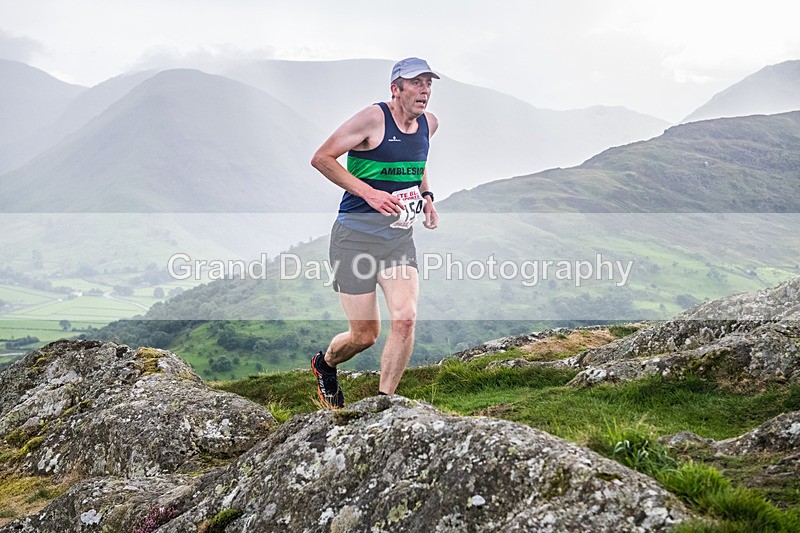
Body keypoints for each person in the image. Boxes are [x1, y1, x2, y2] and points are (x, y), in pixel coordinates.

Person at [309, 57, 440, 408]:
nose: (424, 90)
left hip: (397, 238)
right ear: (395, 89)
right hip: (354, 239)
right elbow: (322, 158)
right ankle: (325, 365)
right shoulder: (372, 119)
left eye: (428, 83)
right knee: (365, 335)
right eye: (416, 83)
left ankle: (384, 405)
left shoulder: (429, 124)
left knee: (405, 318)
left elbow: (417, 161)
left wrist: (427, 196)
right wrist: (368, 193)